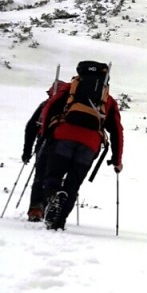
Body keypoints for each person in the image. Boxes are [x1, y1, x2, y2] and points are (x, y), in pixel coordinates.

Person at [39, 62, 124, 231]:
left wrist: (44, 133)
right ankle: (58, 223)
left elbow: (50, 107)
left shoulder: (71, 89)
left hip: (63, 136)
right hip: (90, 144)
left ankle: (55, 195)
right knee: (73, 184)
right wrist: (117, 160)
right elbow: (117, 131)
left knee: (53, 175)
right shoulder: (107, 101)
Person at [21, 81, 68, 222]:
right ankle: (51, 209)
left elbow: (31, 128)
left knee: (40, 176)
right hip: (65, 147)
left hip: (44, 144)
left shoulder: (46, 105)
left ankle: (36, 208)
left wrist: (27, 151)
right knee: (57, 178)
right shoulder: (72, 106)